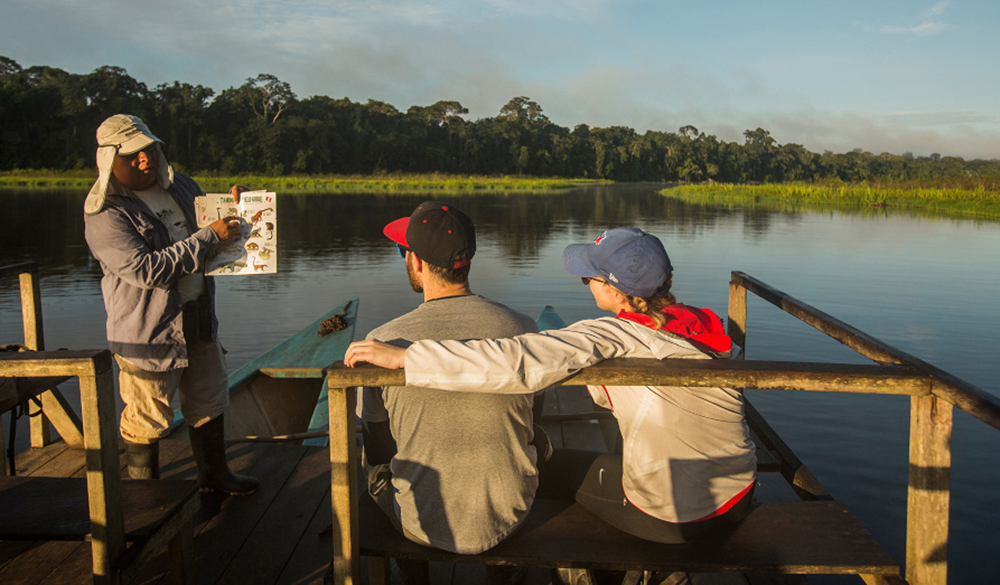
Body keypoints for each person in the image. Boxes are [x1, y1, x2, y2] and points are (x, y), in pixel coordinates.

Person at [346, 227, 757, 544]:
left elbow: (517, 361)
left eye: (589, 278)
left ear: (612, 288)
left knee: (545, 468)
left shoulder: (610, 335)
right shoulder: (701, 325)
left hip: (683, 515)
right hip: (739, 495)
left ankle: (577, 567)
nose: (584, 283)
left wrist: (407, 357)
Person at [356, 200, 540, 580]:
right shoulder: (523, 328)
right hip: (510, 516)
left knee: (369, 463)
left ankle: (413, 575)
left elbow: (378, 447)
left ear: (416, 263)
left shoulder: (383, 341)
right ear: (467, 259)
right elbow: (533, 422)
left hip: (420, 526)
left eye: (403, 251)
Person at [84, 114, 257, 495]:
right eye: (133, 156)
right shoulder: (106, 212)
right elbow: (146, 270)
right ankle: (144, 499)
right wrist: (210, 237)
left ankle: (215, 477)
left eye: (149, 149)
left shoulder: (180, 187)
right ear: (109, 161)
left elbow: (208, 226)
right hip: (150, 333)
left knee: (209, 400)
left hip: (197, 319)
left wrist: (238, 208)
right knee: (148, 416)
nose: (145, 159)